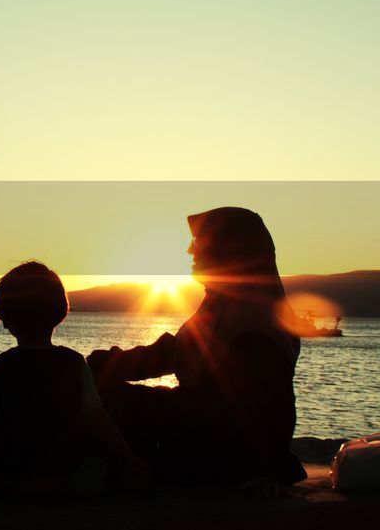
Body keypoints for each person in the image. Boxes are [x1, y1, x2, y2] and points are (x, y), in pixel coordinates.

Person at [88, 207, 306, 494]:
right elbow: (173, 352)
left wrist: (263, 472)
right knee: (95, 395)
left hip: (213, 450)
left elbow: (269, 405)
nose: (190, 250)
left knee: (101, 404)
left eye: (200, 242)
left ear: (231, 250)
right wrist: (97, 365)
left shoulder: (252, 319)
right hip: (197, 429)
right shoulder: (224, 304)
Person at [0, 261, 149, 496]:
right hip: (63, 477)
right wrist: (128, 456)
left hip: (11, 476)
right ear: (60, 313)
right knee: (99, 468)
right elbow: (97, 417)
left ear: (6, 319)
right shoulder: (75, 363)